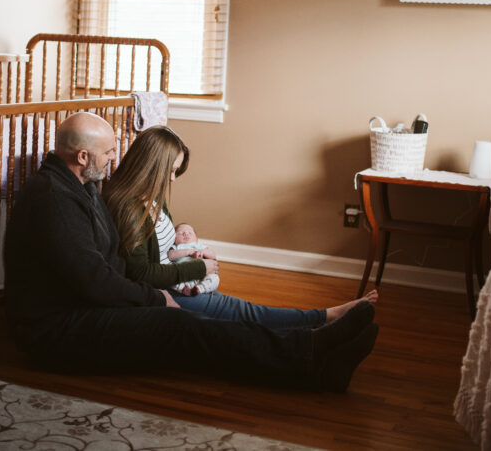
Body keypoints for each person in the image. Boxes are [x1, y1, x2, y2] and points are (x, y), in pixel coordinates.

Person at [4, 112, 378, 392]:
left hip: (88, 309)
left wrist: (145, 296)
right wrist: (153, 297)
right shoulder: (53, 199)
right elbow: (93, 279)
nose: (113, 159)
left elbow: (110, 265)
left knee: (195, 325)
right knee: (183, 327)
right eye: (107, 152)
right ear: (82, 156)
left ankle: (311, 351)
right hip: (57, 333)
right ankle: (310, 355)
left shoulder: (81, 187)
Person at [104, 125, 378, 329]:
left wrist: (194, 251)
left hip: (180, 281)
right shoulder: (129, 208)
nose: (173, 179)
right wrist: (199, 268)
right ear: (151, 166)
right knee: (247, 314)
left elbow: (163, 250)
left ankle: (321, 320)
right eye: (171, 171)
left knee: (241, 315)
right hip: (167, 291)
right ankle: (325, 318)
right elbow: (142, 272)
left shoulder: (152, 196)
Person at [168, 223, 219, 296]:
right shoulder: (176, 247)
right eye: (181, 233)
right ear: (174, 239)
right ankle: (183, 289)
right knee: (170, 279)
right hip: (183, 276)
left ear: (196, 239)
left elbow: (213, 255)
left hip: (202, 275)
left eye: (190, 232)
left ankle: (200, 288)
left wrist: (203, 252)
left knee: (214, 278)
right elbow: (170, 256)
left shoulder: (200, 246)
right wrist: (188, 252)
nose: (186, 234)